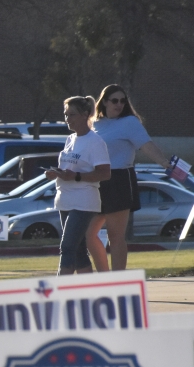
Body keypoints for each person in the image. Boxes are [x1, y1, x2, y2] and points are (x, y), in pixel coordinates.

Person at [86, 85, 173, 271]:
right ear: (105, 102)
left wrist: (165, 163)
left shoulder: (129, 122)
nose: (119, 104)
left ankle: (118, 281)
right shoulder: (95, 123)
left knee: (115, 236)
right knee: (88, 234)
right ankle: (104, 276)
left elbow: (147, 146)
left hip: (119, 179)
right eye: (115, 100)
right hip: (97, 181)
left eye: (123, 101)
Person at [44, 96, 111, 276]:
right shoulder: (70, 139)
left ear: (85, 115)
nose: (67, 119)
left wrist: (77, 176)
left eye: (72, 114)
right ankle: (89, 295)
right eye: (66, 115)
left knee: (67, 247)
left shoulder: (95, 141)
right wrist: (56, 173)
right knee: (79, 252)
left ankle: (60, 293)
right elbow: (69, 168)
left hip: (83, 201)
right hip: (65, 198)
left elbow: (105, 173)